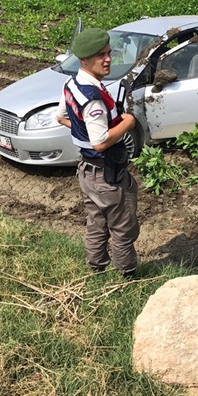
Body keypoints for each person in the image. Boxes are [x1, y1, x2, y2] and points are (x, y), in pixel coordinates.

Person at [56, 28, 140, 276]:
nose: (108, 59)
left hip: (87, 173)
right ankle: (128, 275)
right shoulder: (93, 99)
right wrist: (128, 123)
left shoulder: (72, 84)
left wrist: (84, 130)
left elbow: (61, 116)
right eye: (100, 55)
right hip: (107, 175)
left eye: (108, 53)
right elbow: (100, 142)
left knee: (96, 222)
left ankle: (96, 269)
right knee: (123, 226)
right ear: (84, 60)